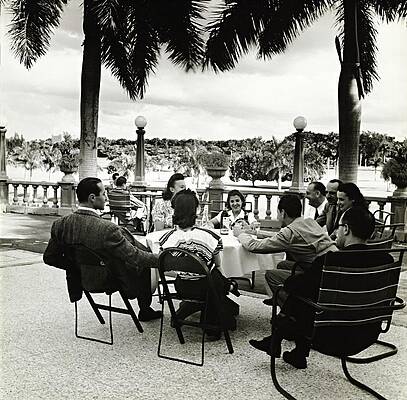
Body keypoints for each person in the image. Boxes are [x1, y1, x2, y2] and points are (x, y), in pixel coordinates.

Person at [249, 206, 393, 369]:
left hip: (331, 336)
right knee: (309, 295)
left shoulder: (330, 261)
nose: (336, 233)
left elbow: (298, 287)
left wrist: (291, 282)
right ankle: (294, 351)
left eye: (338, 227)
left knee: (300, 295)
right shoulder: (386, 260)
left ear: (345, 229)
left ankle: (277, 338)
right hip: (369, 332)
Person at [43, 177, 162, 322]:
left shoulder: (61, 224)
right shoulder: (107, 229)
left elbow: (49, 258)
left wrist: (77, 266)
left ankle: (145, 309)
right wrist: (163, 259)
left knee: (139, 255)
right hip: (107, 280)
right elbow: (135, 257)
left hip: (81, 279)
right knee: (144, 262)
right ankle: (144, 310)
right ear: (92, 198)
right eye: (104, 193)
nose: (106, 198)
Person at [159, 189, 239, 340]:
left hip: (181, 286)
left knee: (212, 278)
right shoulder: (209, 237)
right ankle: (214, 324)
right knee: (214, 277)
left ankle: (226, 287)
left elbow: (166, 267)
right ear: (196, 210)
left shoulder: (166, 239)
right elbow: (218, 263)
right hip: (207, 288)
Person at [233, 194, 337, 301]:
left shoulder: (290, 232)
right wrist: (254, 232)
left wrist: (240, 234)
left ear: (283, 213)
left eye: (278, 212)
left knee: (270, 275)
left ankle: (289, 308)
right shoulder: (310, 222)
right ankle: (277, 298)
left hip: (320, 277)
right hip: (333, 268)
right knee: (283, 264)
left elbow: (254, 246)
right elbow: (279, 236)